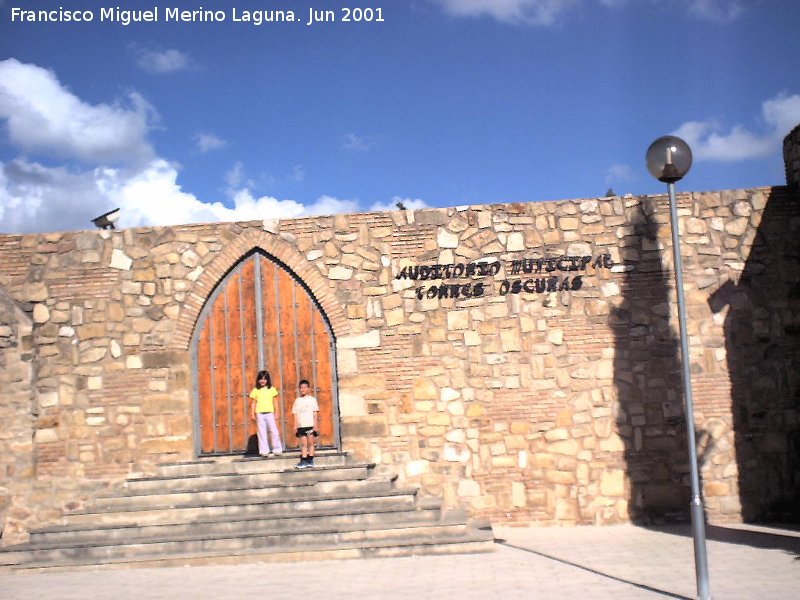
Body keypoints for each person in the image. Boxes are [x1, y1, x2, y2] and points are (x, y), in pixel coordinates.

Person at [249, 370, 283, 457]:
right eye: (260, 379)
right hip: (260, 414)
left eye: (264, 379)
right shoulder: (256, 390)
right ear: (258, 380)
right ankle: (264, 451)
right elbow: (253, 402)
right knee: (261, 432)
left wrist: (277, 412)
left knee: (274, 431)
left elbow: (275, 402)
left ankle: (277, 449)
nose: (262, 381)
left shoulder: (272, 389)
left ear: (267, 380)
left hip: (270, 413)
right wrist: (252, 413)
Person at [292, 379, 319, 469]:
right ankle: (304, 460)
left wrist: (316, 425)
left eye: (305, 387)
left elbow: (315, 413)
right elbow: (295, 414)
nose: (303, 389)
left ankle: (310, 459)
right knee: (303, 444)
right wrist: (295, 426)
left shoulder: (312, 400)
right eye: (301, 388)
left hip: (310, 424)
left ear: (308, 388)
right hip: (301, 425)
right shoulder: (297, 401)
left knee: (310, 443)